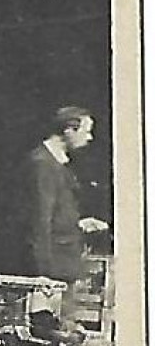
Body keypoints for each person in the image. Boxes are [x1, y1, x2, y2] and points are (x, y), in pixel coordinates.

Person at [19, 106, 109, 286]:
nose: (89, 138)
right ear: (68, 130)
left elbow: (57, 212)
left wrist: (78, 224)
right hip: (52, 272)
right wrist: (42, 275)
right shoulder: (43, 165)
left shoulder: (57, 163)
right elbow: (40, 220)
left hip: (63, 265)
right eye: (86, 131)